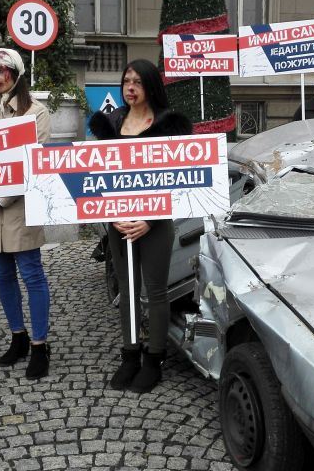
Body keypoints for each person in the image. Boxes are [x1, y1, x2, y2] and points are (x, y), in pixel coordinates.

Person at [89, 59, 192, 393]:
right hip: (118, 221)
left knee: (156, 290)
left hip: (155, 224)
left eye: (137, 82)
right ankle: (130, 355)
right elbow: (97, 174)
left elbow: (179, 180)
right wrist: (113, 214)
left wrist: (149, 219)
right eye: (126, 81)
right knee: (126, 289)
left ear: (150, 86)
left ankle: (154, 359)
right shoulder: (112, 122)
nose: (129, 88)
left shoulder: (167, 124)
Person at [0, 48, 53, 380]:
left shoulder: (35, 113)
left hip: (18, 210)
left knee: (32, 276)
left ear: (15, 74)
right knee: (2, 276)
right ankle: (17, 336)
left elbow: (34, 166)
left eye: (1, 70)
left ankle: (39, 344)